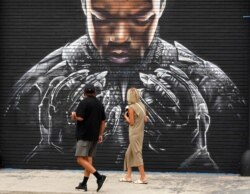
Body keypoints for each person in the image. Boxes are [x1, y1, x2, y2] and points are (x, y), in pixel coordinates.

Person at [5, 0, 245, 171]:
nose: (119, 36)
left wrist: (192, 156)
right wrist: (52, 150)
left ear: (161, 7)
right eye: (100, 18)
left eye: (140, 18)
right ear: (84, 5)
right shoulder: (38, 85)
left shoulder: (211, 85)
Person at [71, 83, 107, 192]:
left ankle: (99, 177)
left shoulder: (84, 102)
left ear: (84, 92)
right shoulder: (99, 104)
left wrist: (73, 116)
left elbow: (80, 118)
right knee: (88, 159)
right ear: (95, 92)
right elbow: (103, 122)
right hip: (94, 136)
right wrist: (100, 134)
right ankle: (84, 183)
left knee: (80, 159)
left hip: (84, 135)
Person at [120, 88, 148, 184]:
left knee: (136, 153)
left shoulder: (131, 107)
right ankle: (128, 176)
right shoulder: (142, 105)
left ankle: (143, 177)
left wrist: (125, 117)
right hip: (140, 133)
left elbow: (131, 122)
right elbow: (145, 120)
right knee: (129, 153)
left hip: (134, 133)